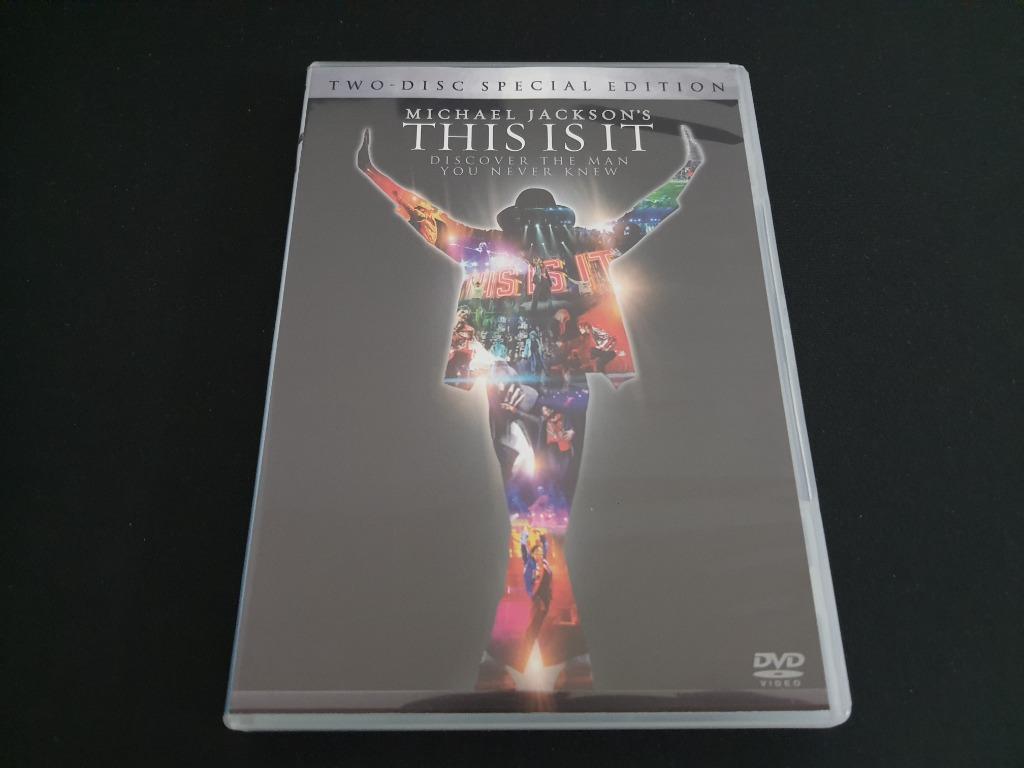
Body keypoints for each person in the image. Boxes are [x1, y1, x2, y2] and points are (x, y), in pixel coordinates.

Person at [357, 126, 705, 690]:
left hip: (531, 390)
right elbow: (639, 219)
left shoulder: (501, 247)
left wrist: (378, 175)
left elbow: (430, 221)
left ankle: (522, 654)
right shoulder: (578, 244)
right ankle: (554, 654)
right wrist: (685, 171)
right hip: (537, 390)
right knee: (540, 515)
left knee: (536, 515)